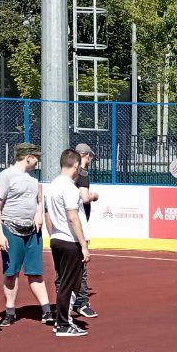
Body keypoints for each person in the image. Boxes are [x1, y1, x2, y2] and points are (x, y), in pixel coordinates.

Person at [0, 142, 54, 328]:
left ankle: (46, 310)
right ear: (28, 157)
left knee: (36, 272)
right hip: (10, 229)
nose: (38, 161)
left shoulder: (33, 177)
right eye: (36, 157)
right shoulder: (7, 175)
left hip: (32, 231)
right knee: (11, 273)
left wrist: (38, 214)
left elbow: (37, 200)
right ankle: (10, 312)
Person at [44, 148, 90, 337]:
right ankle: (63, 323)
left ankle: (64, 320)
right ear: (76, 165)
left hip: (57, 238)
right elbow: (73, 218)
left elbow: (47, 214)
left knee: (69, 282)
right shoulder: (69, 187)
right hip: (69, 240)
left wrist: (52, 234)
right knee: (68, 283)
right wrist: (84, 245)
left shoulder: (53, 185)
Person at [71, 142, 100, 319]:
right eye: (90, 157)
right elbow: (84, 198)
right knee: (81, 264)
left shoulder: (65, 175)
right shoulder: (82, 174)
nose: (90, 160)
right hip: (78, 224)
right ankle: (81, 302)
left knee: (67, 266)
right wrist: (94, 196)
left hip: (65, 226)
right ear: (86, 155)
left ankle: (68, 300)